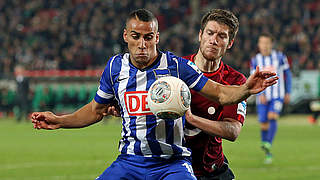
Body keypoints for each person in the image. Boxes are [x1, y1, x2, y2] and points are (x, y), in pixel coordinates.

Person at [31, 9, 277, 180]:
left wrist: (245, 89)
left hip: (181, 164)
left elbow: (222, 95)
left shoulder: (177, 67)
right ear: (126, 36)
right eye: (136, 37)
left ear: (156, 38)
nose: (142, 44)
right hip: (130, 160)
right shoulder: (115, 68)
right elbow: (96, 110)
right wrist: (60, 120)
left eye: (148, 38)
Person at [183, 9, 246, 180]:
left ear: (230, 42)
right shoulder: (176, 69)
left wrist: (192, 119)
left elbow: (233, 130)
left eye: (222, 36)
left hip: (211, 169)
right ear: (200, 35)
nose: (214, 41)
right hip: (174, 167)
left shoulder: (235, 81)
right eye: (210, 33)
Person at [250, 32, 292, 164]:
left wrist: (288, 92)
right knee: (263, 124)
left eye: (267, 43)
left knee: (272, 116)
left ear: (271, 44)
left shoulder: (279, 57)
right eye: (262, 43)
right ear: (259, 44)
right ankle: (267, 151)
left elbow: (288, 74)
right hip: (263, 96)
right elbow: (254, 79)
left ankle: (267, 143)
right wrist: (259, 94)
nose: (264, 45)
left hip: (277, 95)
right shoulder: (255, 60)